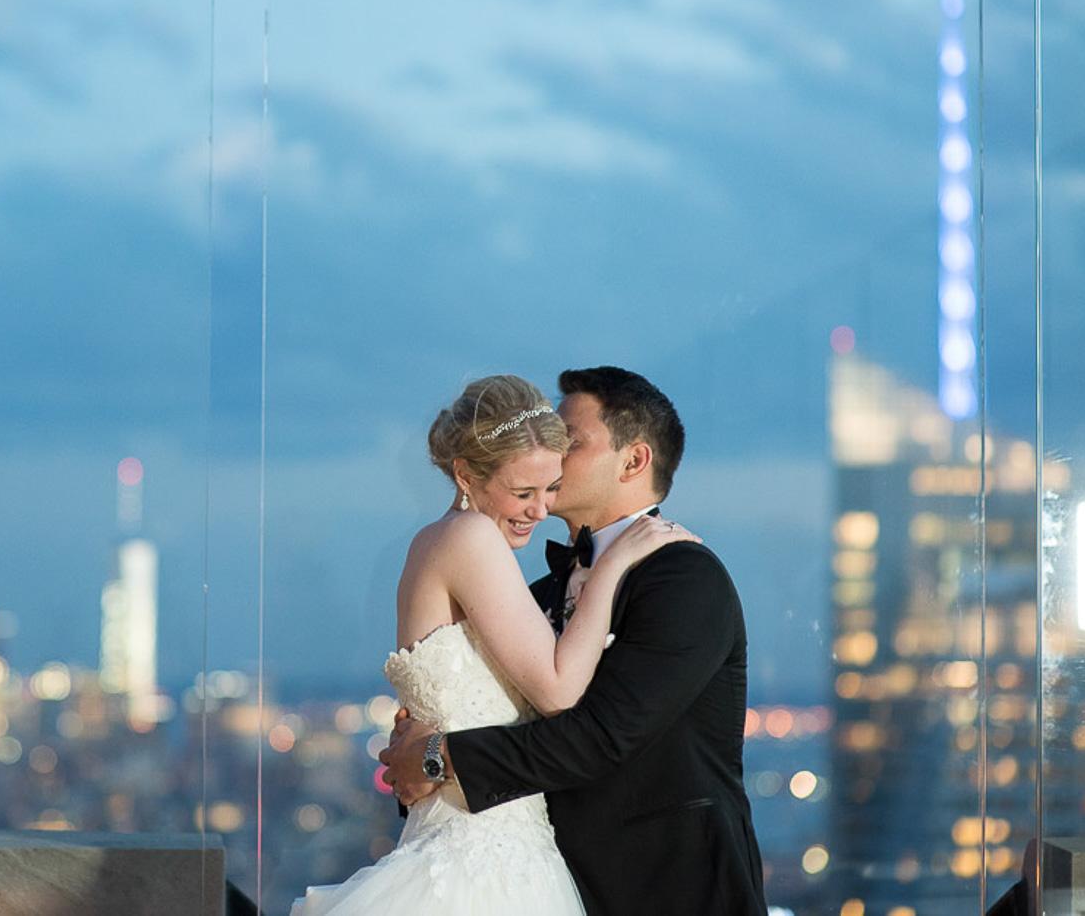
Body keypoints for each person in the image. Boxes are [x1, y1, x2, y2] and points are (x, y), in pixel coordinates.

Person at [289, 374, 696, 915]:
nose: (539, 509)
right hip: (484, 861)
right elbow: (558, 692)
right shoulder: (471, 537)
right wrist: (614, 565)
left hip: (475, 844)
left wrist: (431, 755)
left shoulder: (442, 544)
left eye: (549, 489)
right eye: (523, 493)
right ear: (465, 475)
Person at [382, 366, 767, 916]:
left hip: (672, 891)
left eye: (571, 441)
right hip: (544, 884)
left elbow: (601, 736)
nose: (554, 455)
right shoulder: (536, 590)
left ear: (633, 461)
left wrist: (439, 758)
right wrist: (426, 755)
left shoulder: (684, 577)